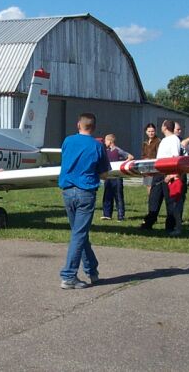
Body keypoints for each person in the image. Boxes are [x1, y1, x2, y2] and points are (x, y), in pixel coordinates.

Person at [59, 113, 110, 289]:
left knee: (79, 233)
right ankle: (68, 275)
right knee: (79, 234)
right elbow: (104, 173)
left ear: (78, 125)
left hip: (67, 191)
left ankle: (92, 270)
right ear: (93, 127)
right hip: (86, 192)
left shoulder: (67, 141)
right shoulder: (98, 146)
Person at [141, 120, 183, 236]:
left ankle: (170, 226)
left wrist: (171, 175)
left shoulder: (174, 139)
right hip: (158, 174)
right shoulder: (164, 140)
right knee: (154, 199)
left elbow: (175, 157)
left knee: (170, 202)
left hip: (168, 174)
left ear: (164, 127)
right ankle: (149, 222)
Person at [101, 134, 133, 221]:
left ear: (110, 141)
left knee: (118, 196)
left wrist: (122, 164)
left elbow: (130, 157)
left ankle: (120, 216)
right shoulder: (105, 151)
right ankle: (107, 214)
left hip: (117, 177)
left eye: (106, 140)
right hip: (108, 176)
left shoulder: (118, 150)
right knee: (107, 195)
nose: (105, 142)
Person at [141, 123, 160, 195]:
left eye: (152, 131)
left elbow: (159, 154)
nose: (151, 133)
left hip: (154, 166)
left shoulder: (158, 141)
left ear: (155, 132)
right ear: (146, 132)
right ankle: (150, 201)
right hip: (146, 166)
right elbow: (143, 154)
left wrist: (150, 159)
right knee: (148, 185)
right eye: (149, 131)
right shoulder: (145, 142)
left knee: (153, 186)